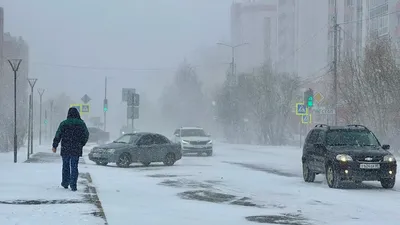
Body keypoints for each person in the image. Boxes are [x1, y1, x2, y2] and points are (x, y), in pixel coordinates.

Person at [52, 107, 89, 191]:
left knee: (65, 165)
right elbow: (86, 134)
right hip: (76, 148)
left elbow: (58, 135)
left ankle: (65, 182)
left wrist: (55, 145)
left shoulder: (64, 123)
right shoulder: (81, 123)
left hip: (65, 147)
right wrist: (82, 143)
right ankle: (73, 184)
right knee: (74, 166)